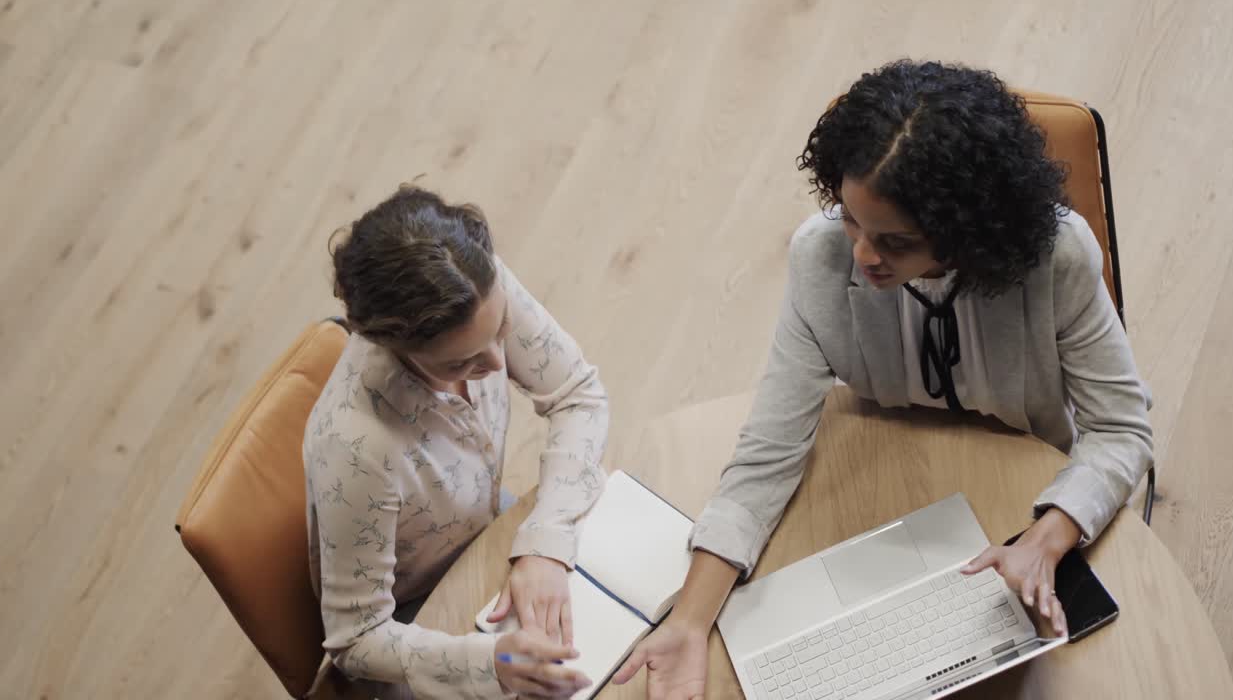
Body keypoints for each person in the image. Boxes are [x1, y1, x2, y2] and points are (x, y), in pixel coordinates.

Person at [613, 60, 1154, 698]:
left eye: (896, 241)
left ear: (967, 231)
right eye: (849, 218)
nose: (863, 255)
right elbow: (765, 457)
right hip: (886, 488)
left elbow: (1121, 429)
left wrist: (1044, 539)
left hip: (1026, 494)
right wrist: (689, 621)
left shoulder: (1058, 259)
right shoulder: (820, 257)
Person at [304, 184, 609, 698]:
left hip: (484, 528)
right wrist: (490, 662)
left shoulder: (478, 286)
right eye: (460, 363)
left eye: (503, 328)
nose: (495, 363)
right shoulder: (357, 448)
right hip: (416, 614)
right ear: (394, 346)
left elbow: (578, 393)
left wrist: (544, 546)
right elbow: (355, 640)